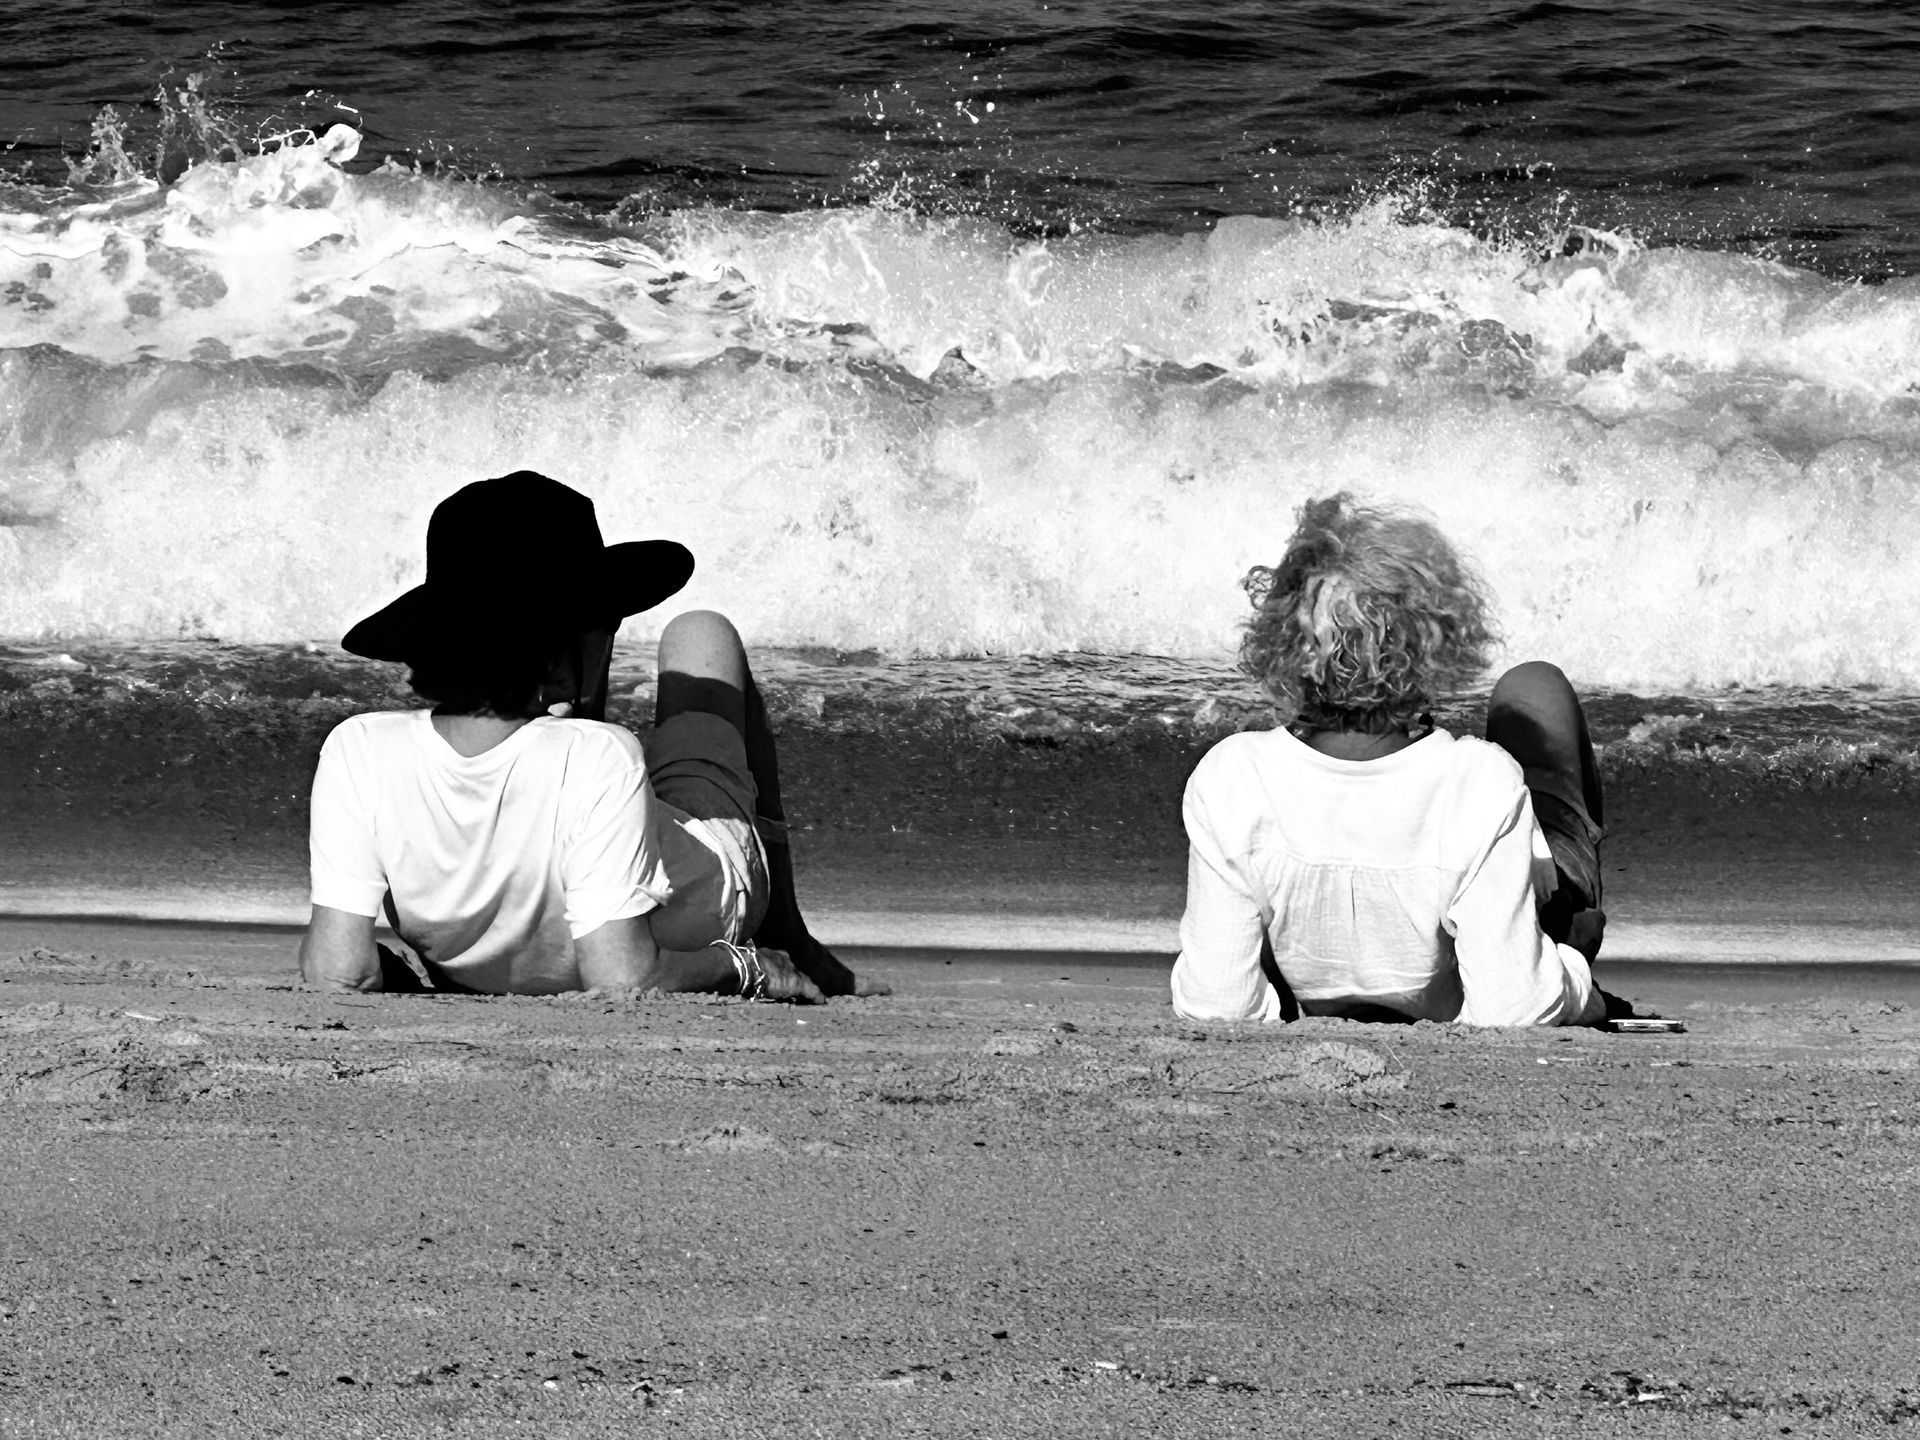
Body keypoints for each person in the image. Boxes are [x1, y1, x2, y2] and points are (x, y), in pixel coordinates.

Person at [298, 470, 882, 1002]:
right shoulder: (600, 754)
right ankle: (788, 931)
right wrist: (750, 965)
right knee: (700, 634)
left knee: (571, 759)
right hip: (710, 890)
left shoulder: (358, 748)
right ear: (562, 650)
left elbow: (339, 970)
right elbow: (623, 977)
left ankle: (555, 689)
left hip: (501, 948)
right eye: (605, 629)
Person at [1171, 492, 1609, 1027]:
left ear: (1282, 643)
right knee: (1532, 687)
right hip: (1511, 915)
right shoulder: (1476, 782)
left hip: (1313, 973)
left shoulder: (1233, 778)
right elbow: (1516, 1007)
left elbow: (1216, 1002)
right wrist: (1575, 967)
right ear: (1437, 642)